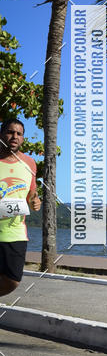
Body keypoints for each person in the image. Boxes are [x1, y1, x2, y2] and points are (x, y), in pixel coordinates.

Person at [0, 119, 41, 297]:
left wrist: (35, 201)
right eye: (10, 132)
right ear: (2, 134)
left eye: (19, 134)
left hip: (15, 232)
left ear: (23, 138)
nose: (14, 137)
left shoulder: (30, 164)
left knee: (12, 280)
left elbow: (32, 194)